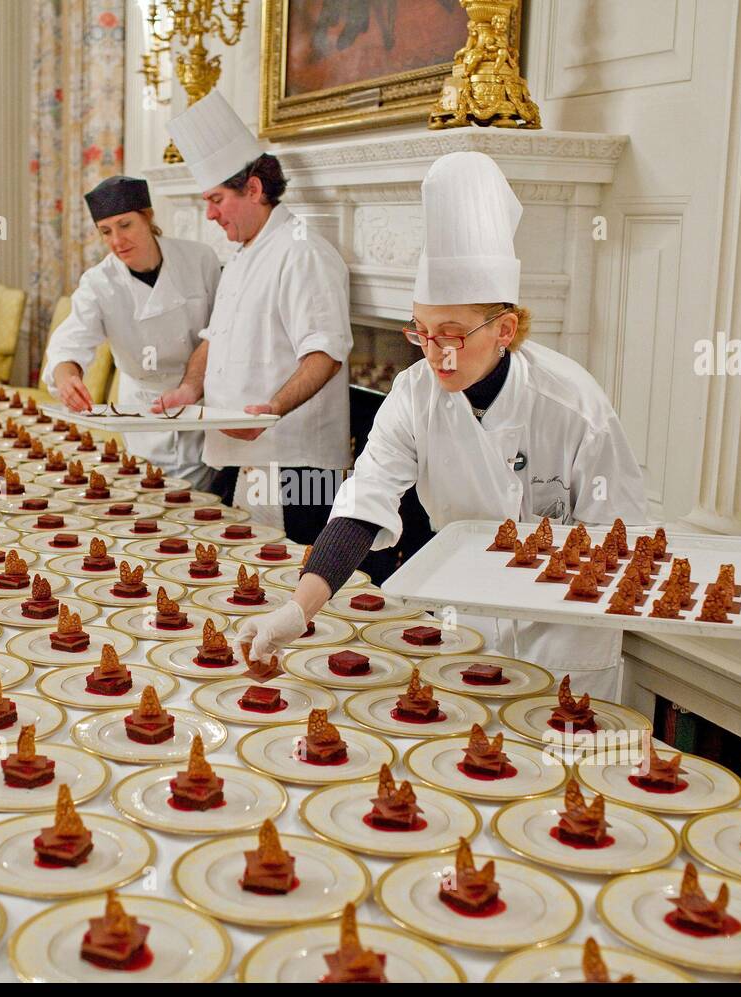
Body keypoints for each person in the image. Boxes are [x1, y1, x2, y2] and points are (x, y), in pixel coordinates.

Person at [236, 152, 648, 700]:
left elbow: (624, 541)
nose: (435, 354)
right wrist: (296, 611)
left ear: (504, 329)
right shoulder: (413, 395)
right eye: (421, 332)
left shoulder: (575, 406)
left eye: (451, 334)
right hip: (463, 628)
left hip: (563, 640)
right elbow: (363, 507)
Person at [154, 90, 353, 545]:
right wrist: (189, 388)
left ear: (254, 189)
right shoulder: (243, 255)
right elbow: (212, 340)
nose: (209, 214)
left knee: (295, 586)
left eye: (216, 199)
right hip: (243, 456)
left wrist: (273, 410)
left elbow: (327, 353)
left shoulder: (303, 252)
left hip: (297, 465)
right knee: (247, 579)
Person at [42, 176, 221, 487]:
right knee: (150, 498)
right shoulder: (99, 282)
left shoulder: (200, 259)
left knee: (205, 503)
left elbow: (223, 327)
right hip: (142, 408)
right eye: (106, 232)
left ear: (148, 217)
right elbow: (67, 345)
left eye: (125, 225)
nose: (117, 241)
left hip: (201, 399)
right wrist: (67, 378)